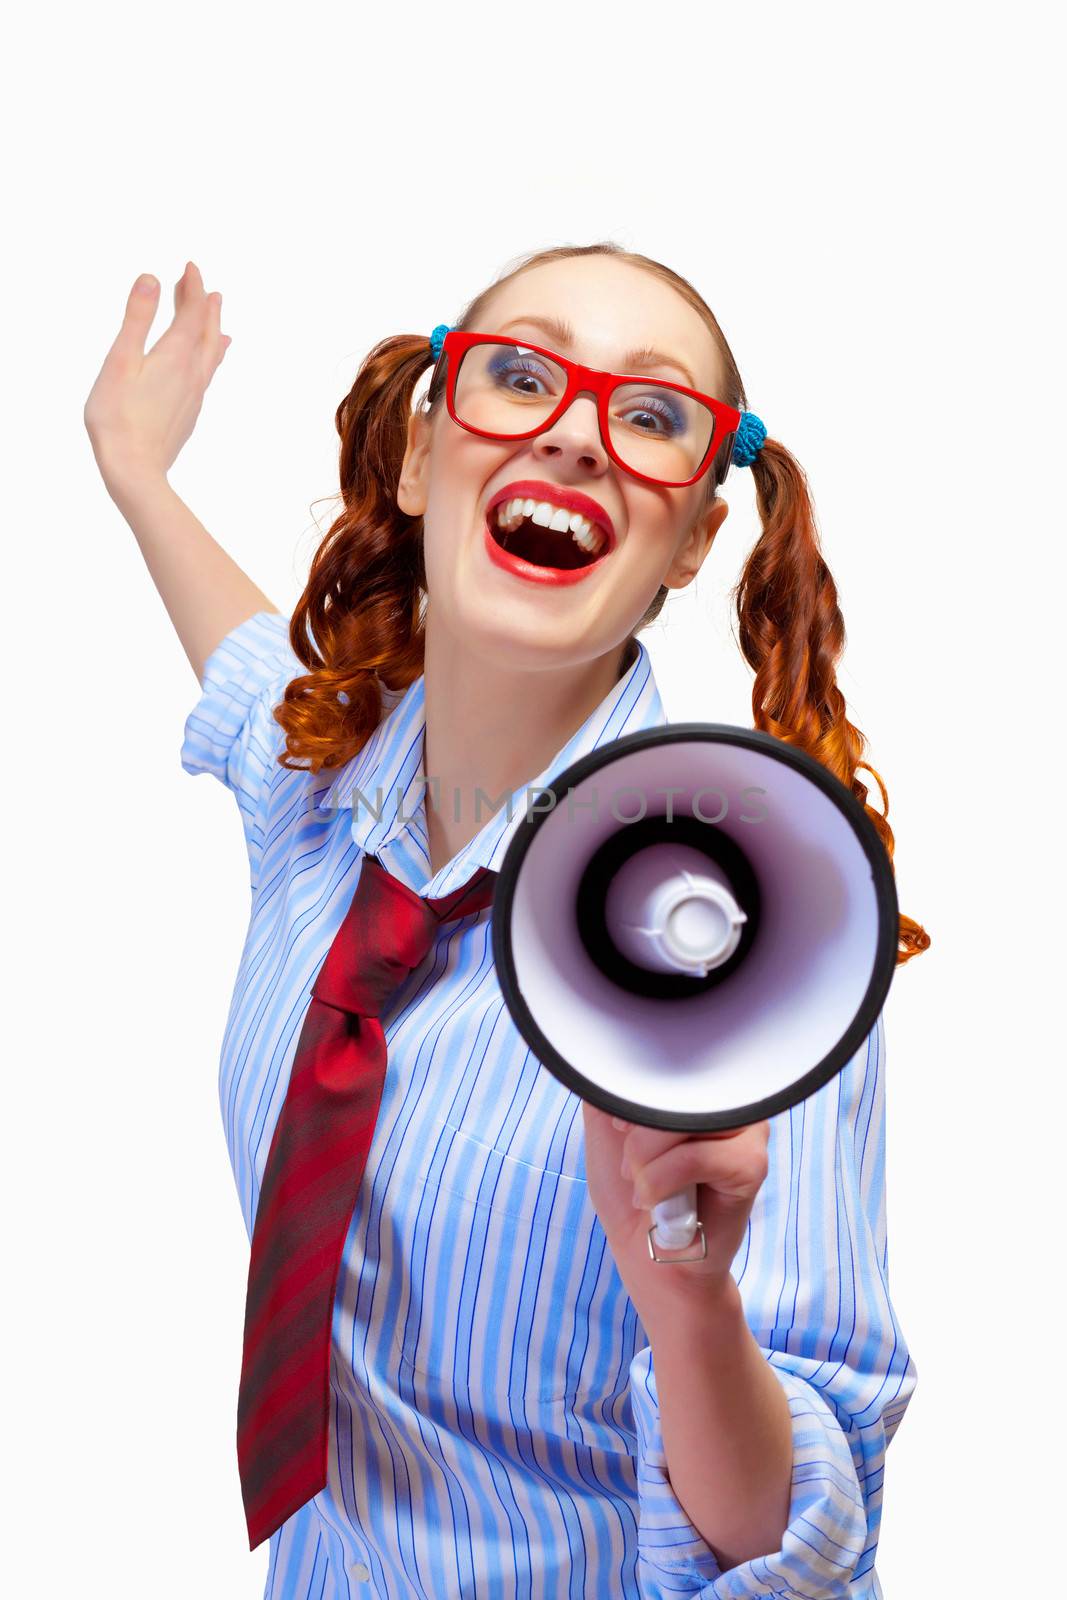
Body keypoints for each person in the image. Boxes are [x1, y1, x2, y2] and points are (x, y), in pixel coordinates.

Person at [84, 242, 928, 1599]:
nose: (580, 435)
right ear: (423, 460)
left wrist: (692, 1311)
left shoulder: (760, 954)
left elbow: (800, 1556)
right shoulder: (325, 789)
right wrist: (137, 469)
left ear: (696, 539)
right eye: (522, 374)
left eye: (650, 417)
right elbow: (248, 673)